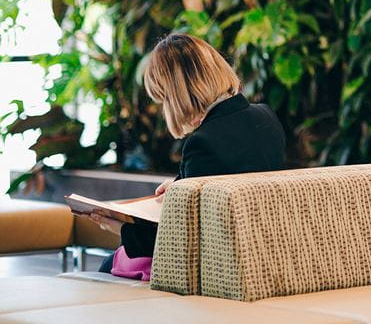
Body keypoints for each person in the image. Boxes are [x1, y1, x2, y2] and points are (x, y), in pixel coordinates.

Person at [92, 33, 286, 275]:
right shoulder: (266, 117)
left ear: (176, 94)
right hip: (262, 251)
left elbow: (182, 237)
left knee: (110, 264)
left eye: (164, 99)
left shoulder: (203, 142)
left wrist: (120, 228)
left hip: (219, 264)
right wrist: (179, 186)